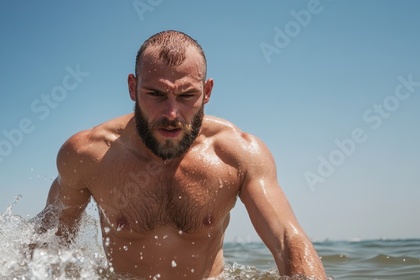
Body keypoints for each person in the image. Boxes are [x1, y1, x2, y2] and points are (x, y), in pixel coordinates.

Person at [36, 30, 327, 279]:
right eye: (156, 95)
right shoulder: (88, 154)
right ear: (133, 88)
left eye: (187, 96)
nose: (172, 114)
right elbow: (48, 246)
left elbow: (289, 241)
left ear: (207, 91)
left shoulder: (237, 154)